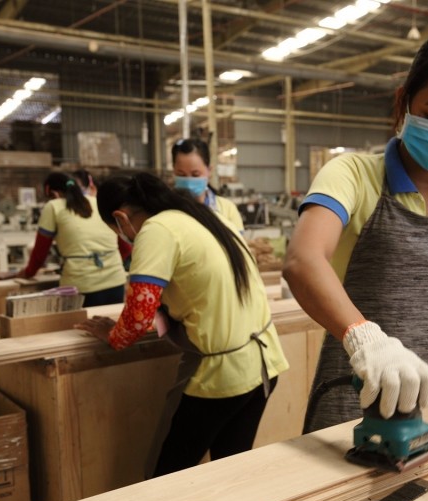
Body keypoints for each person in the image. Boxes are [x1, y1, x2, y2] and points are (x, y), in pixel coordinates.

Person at [282, 31, 428, 446]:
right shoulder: (354, 175)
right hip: (351, 407)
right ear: (403, 102)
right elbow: (303, 260)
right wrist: (366, 340)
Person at [76, 172, 289, 477]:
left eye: (116, 231)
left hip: (221, 374)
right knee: (232, 472)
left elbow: (137, 320)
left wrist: (111, 334)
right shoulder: (204, 216)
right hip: (263, 363)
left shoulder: (156, 230)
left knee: (165, 478)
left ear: (121, 218)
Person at [16, 171, 128, 307]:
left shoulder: (53, 206)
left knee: (80, 322)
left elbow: (40, 253)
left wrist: (27, 273)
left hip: (81, 286)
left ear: (54, 194)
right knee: (110, 320)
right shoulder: (97, 201)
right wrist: (108, 263)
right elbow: (126, 246)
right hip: (115, 282)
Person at [171, 138, 245, 233]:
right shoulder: (166, 209)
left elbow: (238, 241)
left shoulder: (227, 209)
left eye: (195, 174)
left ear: (209, 171)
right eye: (181, 175)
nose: (188, 181)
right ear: (174, 172)